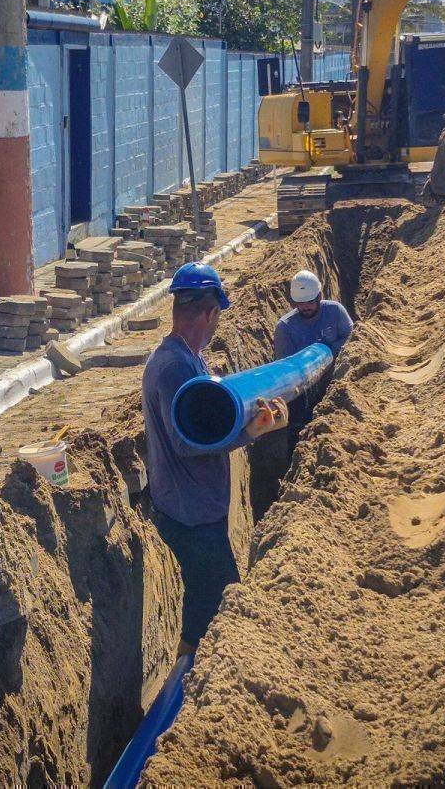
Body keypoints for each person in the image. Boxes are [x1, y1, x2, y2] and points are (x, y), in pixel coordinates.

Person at [142, 262, 289, 656]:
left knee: (206, 604)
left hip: (199, 507)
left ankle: (189, 682)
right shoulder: (173, 367)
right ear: (209, 313)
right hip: (189, 515)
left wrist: (248, 418)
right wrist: (249, 433)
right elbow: (185, 442)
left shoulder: (191, 358)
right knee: (215, 606)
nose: (217, 324)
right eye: (217, 316)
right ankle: (187, 693)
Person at [273, 269, 354, 452]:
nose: (305, 307)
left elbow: (355, 340)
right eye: (300, 303)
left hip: (334, 382)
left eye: (309, 302)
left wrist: (330, 350)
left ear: (319, 296)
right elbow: (285, 370)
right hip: (302, 390)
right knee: (297, 425)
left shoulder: (335, 312)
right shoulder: (285, 327)